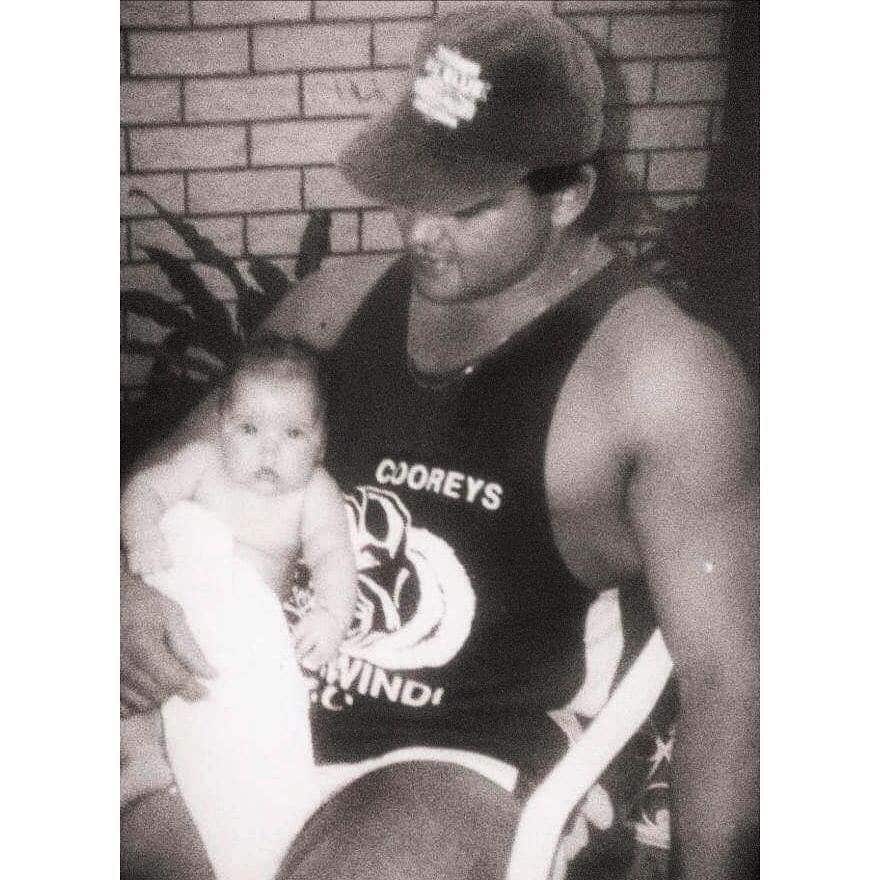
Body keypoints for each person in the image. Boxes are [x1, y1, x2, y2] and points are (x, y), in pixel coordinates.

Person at [120, 7, 758, 880]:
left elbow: (731, 682)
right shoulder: (330, 309)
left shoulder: (659, 375)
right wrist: (121, 588)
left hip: (465, 756)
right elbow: (168, 484)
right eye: (410, 190)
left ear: (568, 196)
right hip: (249, 701)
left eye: (466, 207)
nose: (420, 231)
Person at [120, 337, 357, 878]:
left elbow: (334, 558)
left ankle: (236, 813)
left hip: (240, 634)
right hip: (173, 602)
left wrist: (330, 616)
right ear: (221, 425)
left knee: (240, 719)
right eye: (249, 429)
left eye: (292, 433)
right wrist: (143, 537)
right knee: (134, 692)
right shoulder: (203, 464)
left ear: (320, 442)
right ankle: (139, 762)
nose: (268, 451)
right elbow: (143, 490)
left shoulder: (314, 492)